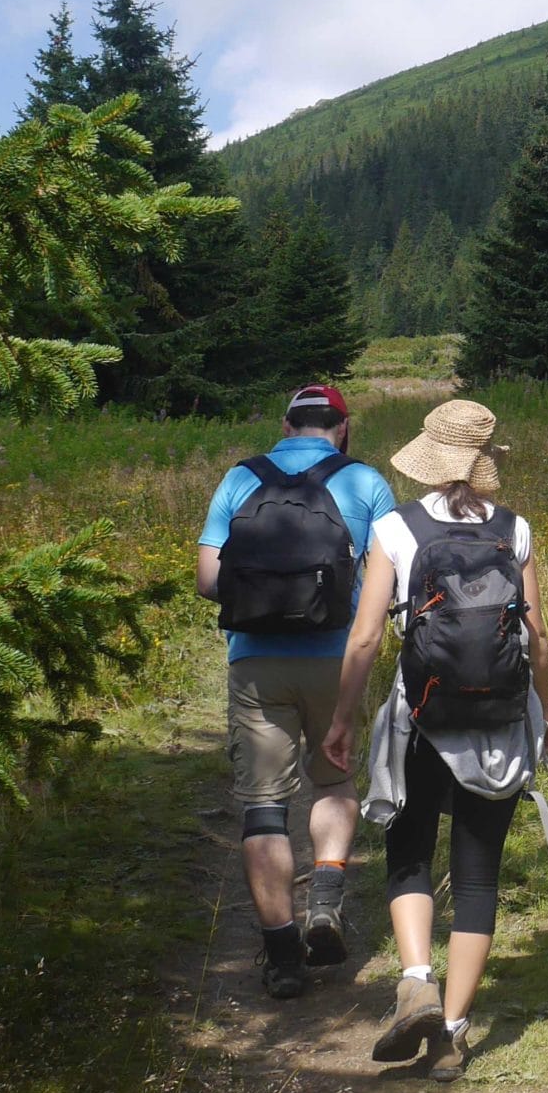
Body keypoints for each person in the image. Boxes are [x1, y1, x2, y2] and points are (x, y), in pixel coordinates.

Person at [323, 397, 548, 1075]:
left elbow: (366, 636)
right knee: (478, 873)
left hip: (420, 716)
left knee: (410, 849)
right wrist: (545, 708)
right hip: (498, 724)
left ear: (430, 457)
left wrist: (341, 718)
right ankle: (452, 1032)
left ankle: (417, 979)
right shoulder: (516, 530)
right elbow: (538, 636)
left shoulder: (395, 528)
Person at [196, 382, 398, 1000]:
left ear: (286, 425)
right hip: (336, 661)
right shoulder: (366, 483)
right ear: (343, 427)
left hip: (257, 663)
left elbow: (208, 580)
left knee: (264, 806)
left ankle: (283, 955)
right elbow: (391, 581)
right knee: (333, 779)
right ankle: (327, 900)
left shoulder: (240, 478)